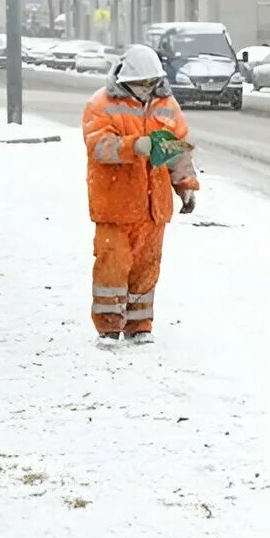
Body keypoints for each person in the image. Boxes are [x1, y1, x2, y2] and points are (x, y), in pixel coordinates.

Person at [82, 44, 199, 346]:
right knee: (113, 267)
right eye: (141, 83)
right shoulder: (101, 104)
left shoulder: (166, 105)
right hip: (115, 207)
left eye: (151, 82)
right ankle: (108, 326)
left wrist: (185, 185)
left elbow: (177, 149)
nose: (146, 88)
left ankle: (140, 325)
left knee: (146, 269)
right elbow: (99, 147)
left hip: (153, 209)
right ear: (125, 80)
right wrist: (134, 146)